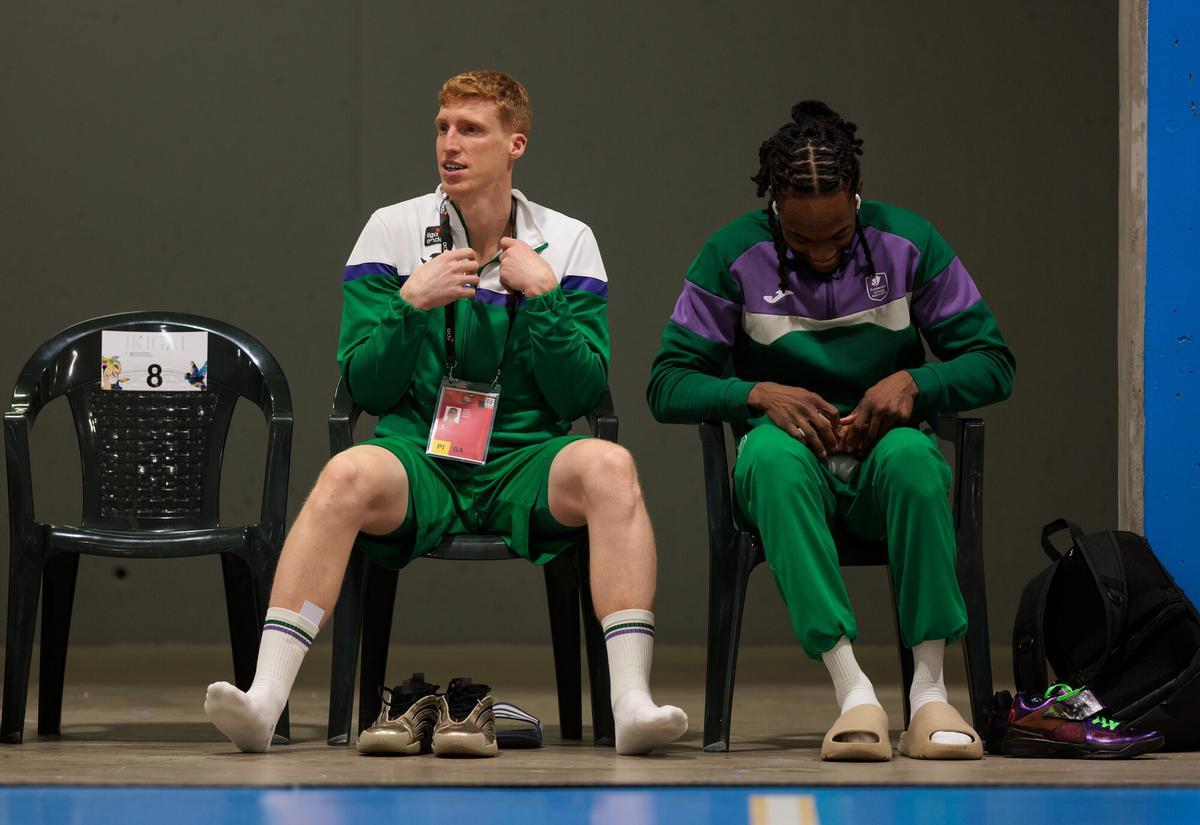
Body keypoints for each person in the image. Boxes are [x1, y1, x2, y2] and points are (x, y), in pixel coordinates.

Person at [205, 70, 687, 757]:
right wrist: (410, 305)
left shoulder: (568, 239)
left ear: (515, 143)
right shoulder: (392, 230)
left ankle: (632, 703)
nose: (450, 145)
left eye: (471, 130)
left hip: (526, 458)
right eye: (442, 129)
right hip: (420, 455)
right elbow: (364, 385)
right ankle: (263, 700)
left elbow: (581, 395)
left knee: (611, 465)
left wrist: (545, 299)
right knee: (344, 475)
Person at [646, 100, 1014, 761]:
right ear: (774, 208)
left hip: (883, 464)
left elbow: (994, 361)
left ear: (858, 197)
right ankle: (855, 693)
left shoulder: (910, 243)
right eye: (800, 238)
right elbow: (667, 384)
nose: (820, 254)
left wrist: (917, 384)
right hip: (793, 466)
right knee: (772, 462)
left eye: (838, 237)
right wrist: (754, 391)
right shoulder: (730, 254)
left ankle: (930, 695)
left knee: (915, 460)